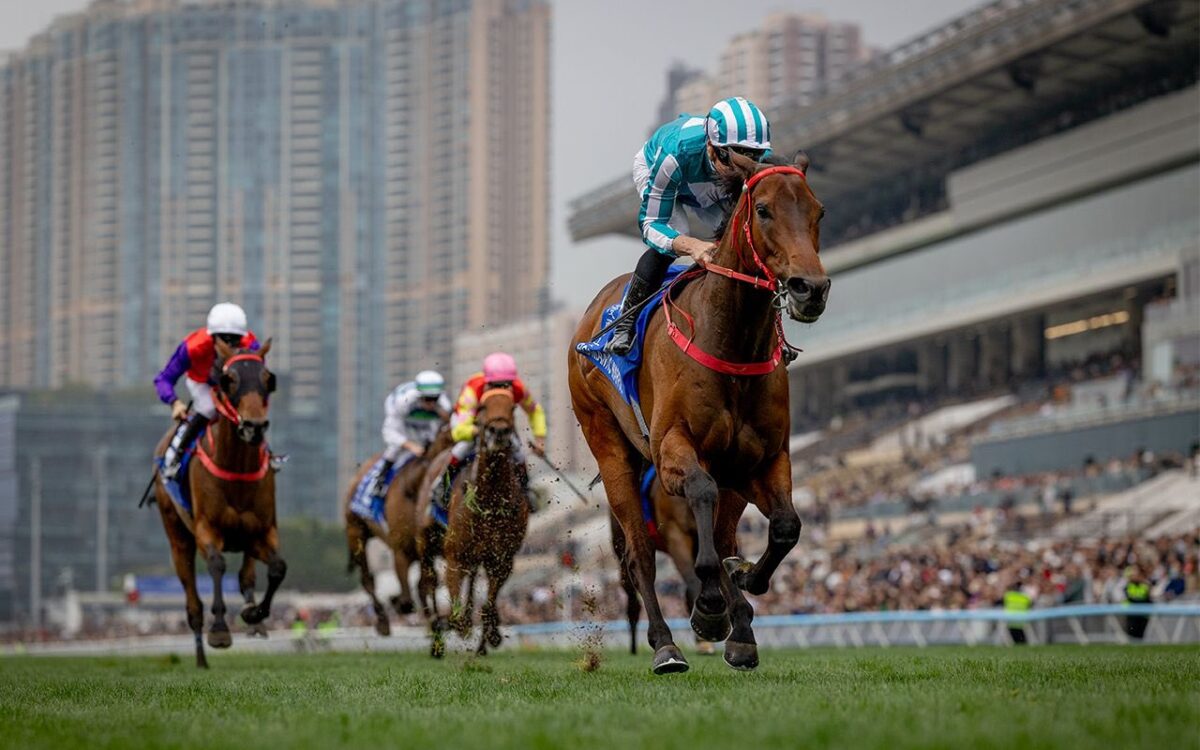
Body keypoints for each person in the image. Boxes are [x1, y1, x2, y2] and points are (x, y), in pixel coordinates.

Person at [605, 96, 773, 355]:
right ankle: (626, 321)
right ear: (710, 146)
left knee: (744, 237)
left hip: (708, 179)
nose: (742, 169)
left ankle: (774, 331)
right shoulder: (675, 154)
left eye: (751, 159)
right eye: (733, 159)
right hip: (662, 170)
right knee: (676, 236)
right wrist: (692, 245)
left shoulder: (760, 157)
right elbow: (651, 225)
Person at [153, 302, 258, 480]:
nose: (231, 346)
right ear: (213, 337)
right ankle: (176, 460)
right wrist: (175, 402)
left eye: (236, 340)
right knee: (209, 409)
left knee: (249, 413)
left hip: (232, 384)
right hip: (202, 383)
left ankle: (266, 456)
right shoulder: (192, 348)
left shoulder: (251, 346)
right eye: (225, 339)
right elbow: (164, 379)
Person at [432, 352, 546, 514]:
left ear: (512, 381)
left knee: (519, 453)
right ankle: (442, 486)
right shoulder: (472, 391)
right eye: (494, 385)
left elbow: (535, 411)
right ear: (486, 383)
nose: (501, 389)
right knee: (462, 449)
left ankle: (526, 490)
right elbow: (459, 432)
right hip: (471, 423)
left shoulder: (519, 388)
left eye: (506, 384)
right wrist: (477, 431)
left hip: (500, 424)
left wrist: (540, 440)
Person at [355, 371, 452, 526]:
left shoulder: (444, 404)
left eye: (435, 399)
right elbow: (389, 432)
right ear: (419, 395)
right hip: (403, 425)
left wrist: (444, 415)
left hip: (426, 427)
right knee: (394, 451)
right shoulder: (402, 402)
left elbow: (448, 427)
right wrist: (410, 445)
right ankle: (378, 486)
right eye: (427, 399)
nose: (431, 403)